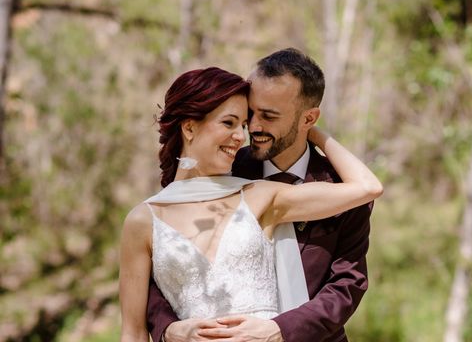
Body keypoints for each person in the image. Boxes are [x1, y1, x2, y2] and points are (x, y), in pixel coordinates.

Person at [120, 58, 382, 342]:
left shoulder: (263, 193)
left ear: (308, 117)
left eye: (266, 116)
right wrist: (170, 330)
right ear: (189, 127)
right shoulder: (226, 169)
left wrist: (280, 329)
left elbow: (347, 284)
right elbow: (152, 290)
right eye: (245, 118)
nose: (247, 132)